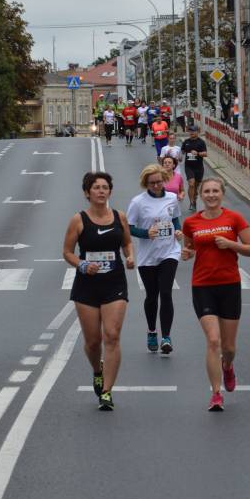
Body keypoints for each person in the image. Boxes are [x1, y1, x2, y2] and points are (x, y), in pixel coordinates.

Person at [182, 178, 250, 411]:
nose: (211, 195)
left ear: (222, 194)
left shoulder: (234, 218)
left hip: (229, 285)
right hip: (202, 285)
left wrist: (231, 244)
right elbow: (189, 248)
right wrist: (187, 253)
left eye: (215, 191)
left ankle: (228, 366)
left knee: (229, 348)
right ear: (200, 195)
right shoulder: (191, 222)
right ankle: (216, 393)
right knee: (213, 340)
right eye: (207, 191)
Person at [63, 172, 135, 411]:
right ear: (87, 193)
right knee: (93, 342)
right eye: (96, 187)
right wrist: (82, 264)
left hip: (114, 282)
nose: (101, 191)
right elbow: (67, 252)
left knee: (112, 336)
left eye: (105, 187)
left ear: (110, 192)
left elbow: (127, 242)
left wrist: (130, 256)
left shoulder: (119, 216)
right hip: (87, 285)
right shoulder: (78, 220)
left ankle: (107, 391)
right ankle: (97, 370)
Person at [127, 164, 182, 354]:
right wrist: (145, 233)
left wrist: (178, 231)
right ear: (146, 183)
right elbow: (129, 227)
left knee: (166, 293)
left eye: (159, 181)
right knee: (152, 296)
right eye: (152, 183)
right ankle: (152, 331)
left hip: (169, 251)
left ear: (164, 180)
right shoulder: (138, 202)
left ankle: (166, 337)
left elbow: (175, 219)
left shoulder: (172, 198)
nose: (157, 185)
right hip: (148, 255)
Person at [181, 126, 208, 212]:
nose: (191, 132)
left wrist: (198, 153)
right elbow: (182, 151)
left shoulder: (201, 142)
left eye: (193, 131)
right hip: (189, 166)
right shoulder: (186, 142)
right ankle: (192, 203)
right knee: (191, 184)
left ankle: (194, 199)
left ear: (197, 132)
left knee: (196, 187)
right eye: (190, 131)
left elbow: (205, 154)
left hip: (199, 167)